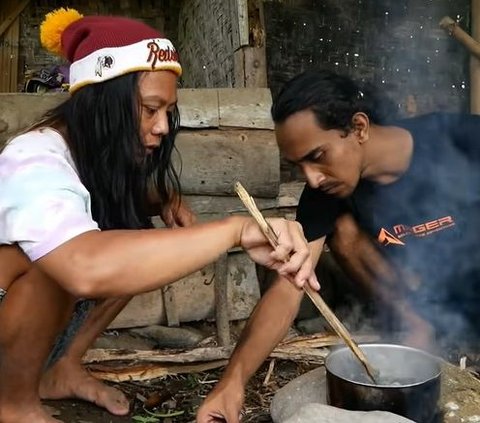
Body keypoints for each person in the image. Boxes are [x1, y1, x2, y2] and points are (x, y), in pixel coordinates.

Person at [0, 9, 320, 423]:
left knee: (130, 230)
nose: (164, 127)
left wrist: (163, 197)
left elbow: (123, 222)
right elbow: (84, 268)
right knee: (56, 260)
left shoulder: (90, 158)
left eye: (168, 110)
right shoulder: (32, 158)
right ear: (103, 103)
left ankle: (61, 368)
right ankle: (12, 406)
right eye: (150, 109)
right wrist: (235, 230)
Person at [197, 69, 480, 422]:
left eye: (317, 156)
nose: (312, 177)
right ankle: (417, 327)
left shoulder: (465, 139)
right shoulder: (323, 194)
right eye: (298, 165)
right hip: (427, 300)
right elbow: (289, 287)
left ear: (359, 128)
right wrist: (231, 383)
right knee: (342, 229)